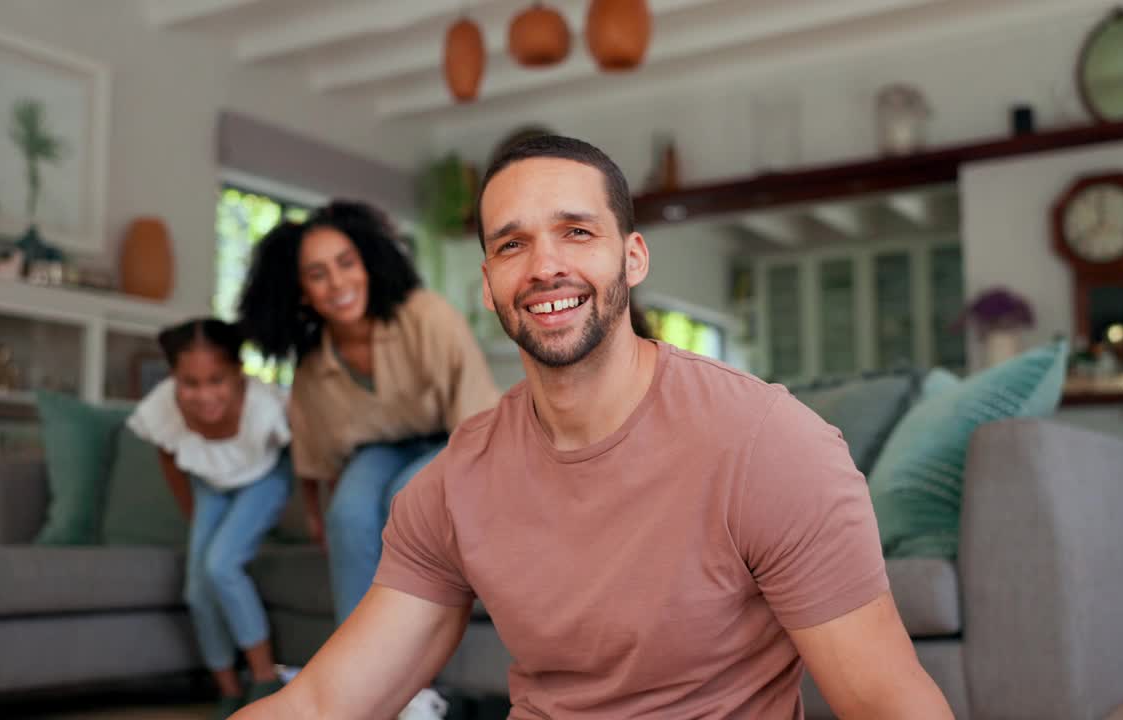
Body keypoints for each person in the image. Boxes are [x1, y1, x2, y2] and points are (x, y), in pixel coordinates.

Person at [236, 137, 952, 719]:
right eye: (513, 245)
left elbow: (888, 701)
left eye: (576, 232)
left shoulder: (770, 445)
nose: (546, 266)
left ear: (632, 257)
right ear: (487, 284)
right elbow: (327, 700)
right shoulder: (455, 483)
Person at [239, 208, 499, 627]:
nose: (338, 283)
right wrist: (321, 519)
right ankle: (360, 670)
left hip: (455, 438)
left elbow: (477, 428)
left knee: (406, 497)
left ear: (369, 265)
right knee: (348, 514)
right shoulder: (311, 368)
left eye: (346, 263)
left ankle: (416, 673)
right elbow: (318, 459)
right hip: (377, 451)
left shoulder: (426, 315)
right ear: (301, 291)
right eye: (318, 274)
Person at [127, 318, 292, 719]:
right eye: (190, 383)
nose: (204, 395)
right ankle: (228, 690)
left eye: (217, 380)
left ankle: (265, 679)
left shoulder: (267, 407)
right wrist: (194, 514)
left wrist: (318, 519)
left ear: (238, 373)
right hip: (209, 484)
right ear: (173, 377)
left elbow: (306, 459)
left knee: (221, 565)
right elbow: (169, 458)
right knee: (197, 588)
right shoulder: (163, 405)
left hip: (264, 478)